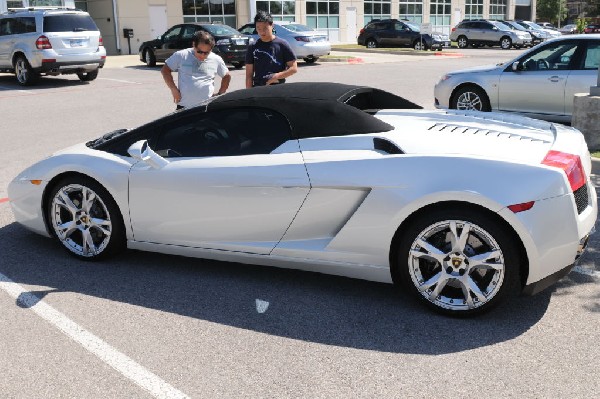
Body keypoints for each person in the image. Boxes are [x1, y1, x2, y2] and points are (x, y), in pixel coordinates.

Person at [161, 30, 231, 109]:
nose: (202, 55)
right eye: (200, 52)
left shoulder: (216, 59)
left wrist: (220, 94)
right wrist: (173, 89)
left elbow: (226, 76)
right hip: (184, 106)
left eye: (206, 53)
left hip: (206, 107)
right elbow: (165, 70)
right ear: (194, 45)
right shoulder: (181, 55)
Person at [245, 11, 298, 88]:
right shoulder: (252, 46)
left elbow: (293, 68)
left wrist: (277, 76)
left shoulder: (282, 44)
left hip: (278, 89)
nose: (262, 32)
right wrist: (248, 94)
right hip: (258, 89)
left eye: (265, 28)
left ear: (272, 26)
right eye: (258, 28)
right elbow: (249, 75)